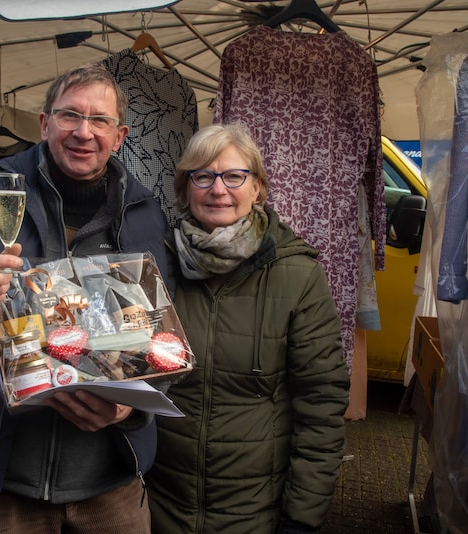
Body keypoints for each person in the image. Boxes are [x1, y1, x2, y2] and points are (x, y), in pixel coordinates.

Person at [0, 63, 168, 533]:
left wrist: (130, 409)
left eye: (100, 120)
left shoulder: (145, 213)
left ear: (119, 136)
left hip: (111, 482)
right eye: (70, 115)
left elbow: (165, 340)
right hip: (4, 480)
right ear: (45, 123)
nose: (83, 132)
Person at [146, 123, 350, 534]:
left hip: (255, 512)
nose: (218, 189)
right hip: (159, 505)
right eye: (203, 176)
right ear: (185, 189)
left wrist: (302, 516)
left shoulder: (297, 276)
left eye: (234, 176)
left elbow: (322, 403)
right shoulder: (154, 266)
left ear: (257, 188)